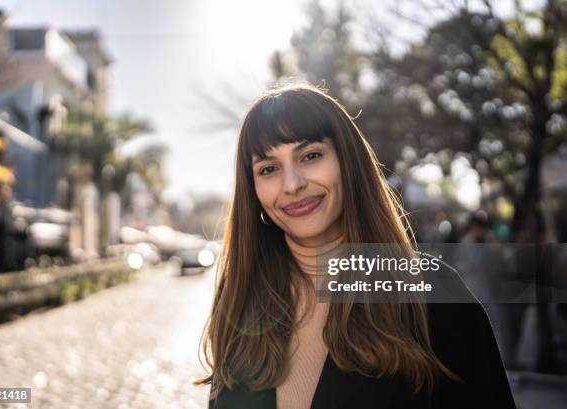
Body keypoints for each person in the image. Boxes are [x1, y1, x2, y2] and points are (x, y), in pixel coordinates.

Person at [194, 84, 516, 409]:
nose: (292, 184)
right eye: (269, 169)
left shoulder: (435, 295)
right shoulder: (240, 299)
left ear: (349, 162)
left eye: (311, 155)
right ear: (254, 191)